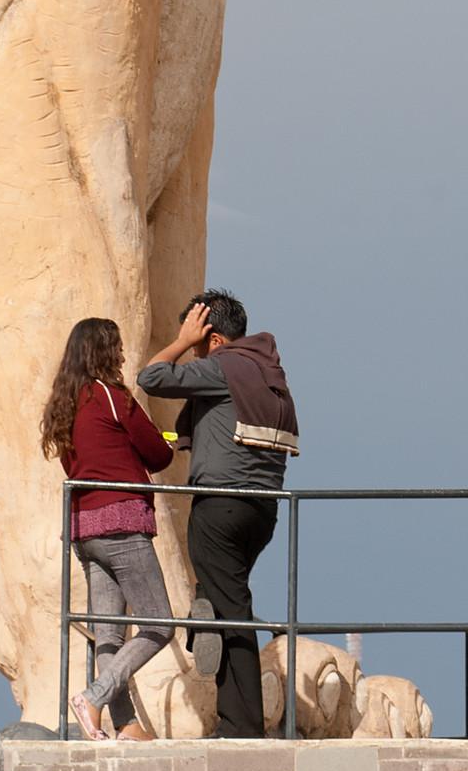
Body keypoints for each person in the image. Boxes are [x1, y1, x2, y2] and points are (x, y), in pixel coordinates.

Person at [138, 290, 298, 738]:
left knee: (230, 613)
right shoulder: (267, 374)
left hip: (220, 506)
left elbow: (150, 376)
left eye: (195, 333)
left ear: (211, 334)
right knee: (224, 604)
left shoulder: (223, 365)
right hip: (262, 510)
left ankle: (242, 725)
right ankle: (230, 703)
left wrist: (181, 342)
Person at [40, 317, 176, 741]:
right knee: (160, 624)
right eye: (116, 347)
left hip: (83, 530)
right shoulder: (113, 397)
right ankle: (94, 698)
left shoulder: (64, 404)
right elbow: (157, 455)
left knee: (109, 633)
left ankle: (127, 725)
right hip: (121, 521)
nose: (121, 354)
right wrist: (167, 442)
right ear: (106, 352)